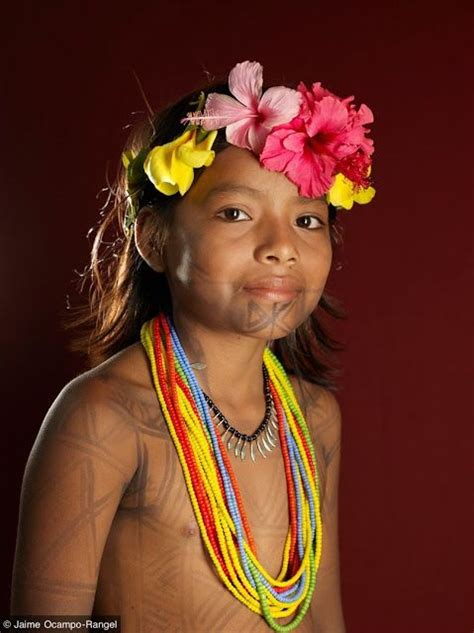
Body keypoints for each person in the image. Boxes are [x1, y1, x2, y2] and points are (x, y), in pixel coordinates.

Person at [11, 60, 375, 632]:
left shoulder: (314, 418)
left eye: (308, 220)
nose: (281, 247)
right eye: (235, 213)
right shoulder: (105, 418)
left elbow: (322, 619)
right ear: (155, 240)